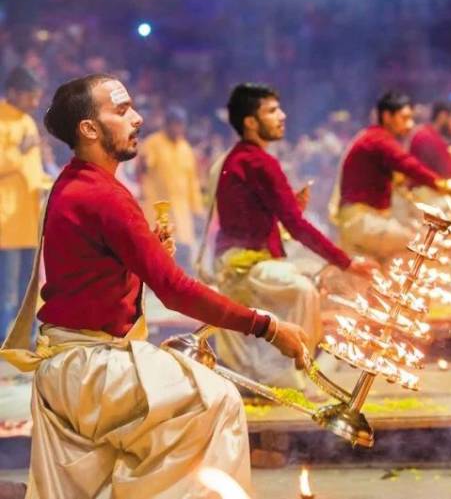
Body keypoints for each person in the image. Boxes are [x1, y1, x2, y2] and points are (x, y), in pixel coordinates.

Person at [0, 74, 308, 498]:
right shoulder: (102, 195)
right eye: (122, 111)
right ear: (88, 129)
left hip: (74, 366)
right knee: (217, 401)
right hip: (90, 369)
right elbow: (176, 290)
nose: (139, 119)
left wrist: (150, 260)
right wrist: (268, 327)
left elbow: (96, 277)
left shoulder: (78, 184)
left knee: (182, 407)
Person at [211, 83, 376, 388]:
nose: (282, 116)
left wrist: (286, 211)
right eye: (272, 111)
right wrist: (347, 263)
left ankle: (288, 368)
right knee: (303, 289)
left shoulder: (243, 158)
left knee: (312, 283)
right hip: (243, 266)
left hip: (245, 259)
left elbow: (262, 218)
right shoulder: (258, 161)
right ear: (250, 122)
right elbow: (298, 227)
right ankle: (284, 375)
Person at [331, 91, 451, 260]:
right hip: (363, 222)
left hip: (366, 221)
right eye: (404, 118)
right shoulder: (378, 140)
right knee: (421, 244)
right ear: (387, 116)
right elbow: (409, 165)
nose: (410, 125)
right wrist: (444, 186)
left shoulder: (376, 137)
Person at [0, 67, 47, 343]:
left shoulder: (28, 122)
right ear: (15, 93)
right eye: (31, 96)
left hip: (29, 218)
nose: (35, 102)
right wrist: (20, 150)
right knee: (5, 289)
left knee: (28, 289)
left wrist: (51, 184)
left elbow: (33, 169)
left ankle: (23, 341)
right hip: (5, 221)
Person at [138, 105, 203, 271]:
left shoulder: (186, 149)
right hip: (159, 210)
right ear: (167, 124)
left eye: (181, 124)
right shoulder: (153, 143)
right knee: (159, 252)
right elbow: (144, 167)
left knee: (183, 254)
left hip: (182, 212)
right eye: (175, 124)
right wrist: (143, 163)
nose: (178, 128)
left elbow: (192, 182)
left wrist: (197, 209)